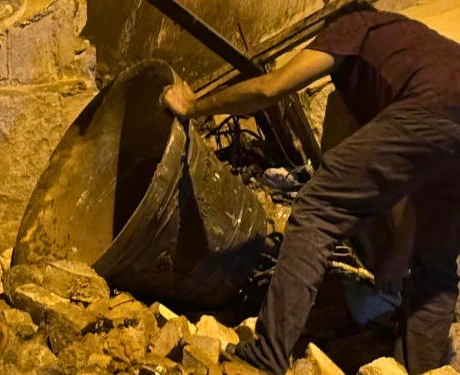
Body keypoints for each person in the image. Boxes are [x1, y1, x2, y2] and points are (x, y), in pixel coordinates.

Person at [161, 2, 460, 375]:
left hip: (430, 111)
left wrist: (194, 106)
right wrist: (395, 262)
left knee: (317, 209)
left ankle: (268, 354)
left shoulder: (353, 24)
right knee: (437, 267)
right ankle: (425, 370)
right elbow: (411, 181)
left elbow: (271, 87)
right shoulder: (412, 44)